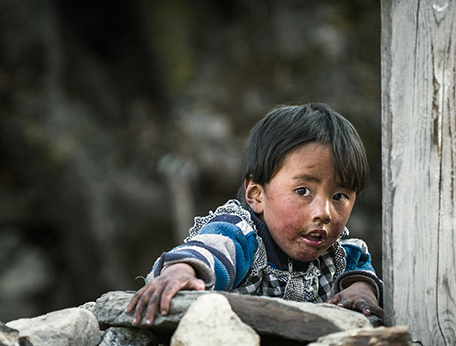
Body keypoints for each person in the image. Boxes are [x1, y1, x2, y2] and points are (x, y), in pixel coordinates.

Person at [126, 102, 384, 326]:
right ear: (256, 194)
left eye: (340, 196)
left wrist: (361, 292)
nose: (324, 212)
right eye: (303, 190)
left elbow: (361, 275)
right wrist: (180, 272)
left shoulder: (340, 256)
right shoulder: (241, 237)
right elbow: (210, 251)